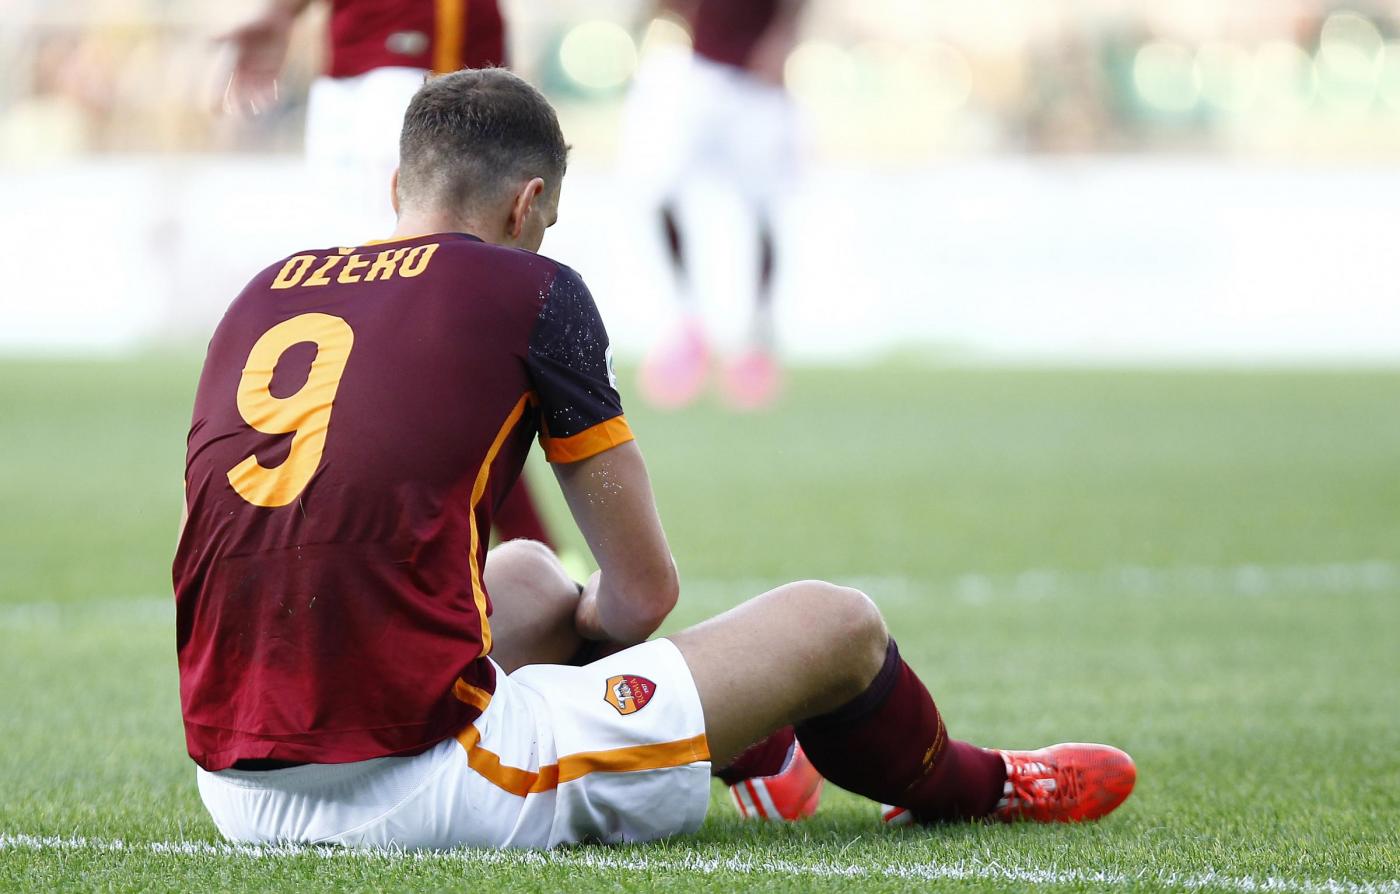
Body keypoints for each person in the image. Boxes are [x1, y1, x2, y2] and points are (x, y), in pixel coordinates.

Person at [174, 68, 1135, 850]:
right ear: (528, 204)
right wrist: (616, 638)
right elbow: (643, 594)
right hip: (419, 783)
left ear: (398, 189)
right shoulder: (532, 288)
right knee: (837, 624)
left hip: (234, 781)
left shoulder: (264, 290)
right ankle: (972, 784)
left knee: (528, 576)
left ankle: (739, 746)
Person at [220, 0, 555, 549]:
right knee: (398, 325)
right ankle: (522, 546)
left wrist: (281, 13)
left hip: (391, 64)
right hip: (378, 63)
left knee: (394, 321)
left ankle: (519, 544)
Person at [622, 0, 805, 411]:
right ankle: (690, 328)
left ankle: (756, 340)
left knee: (763, 209)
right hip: (701, 72)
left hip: (756, 84)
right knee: (660, 190)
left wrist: (781, 40)